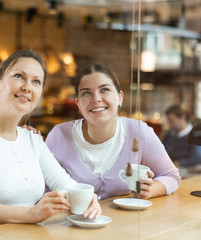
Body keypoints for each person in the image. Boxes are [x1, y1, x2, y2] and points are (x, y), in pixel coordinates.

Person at [0, 50, 101, 237]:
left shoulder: (33, 139)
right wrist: (31, 214)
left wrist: (86, 199)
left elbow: (63, 183)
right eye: (19, 76)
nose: (27, 87)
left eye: (36, 82)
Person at [45, 64, 181, 200]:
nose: (96, 99)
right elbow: (41, 186)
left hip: (125, 220)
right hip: (72, 220)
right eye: (86, 93)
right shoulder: (59, 135)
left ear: (120, 97)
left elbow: (171, 176)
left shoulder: (139, 132)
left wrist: (151, 189)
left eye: (104, 89)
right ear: (78, 104)